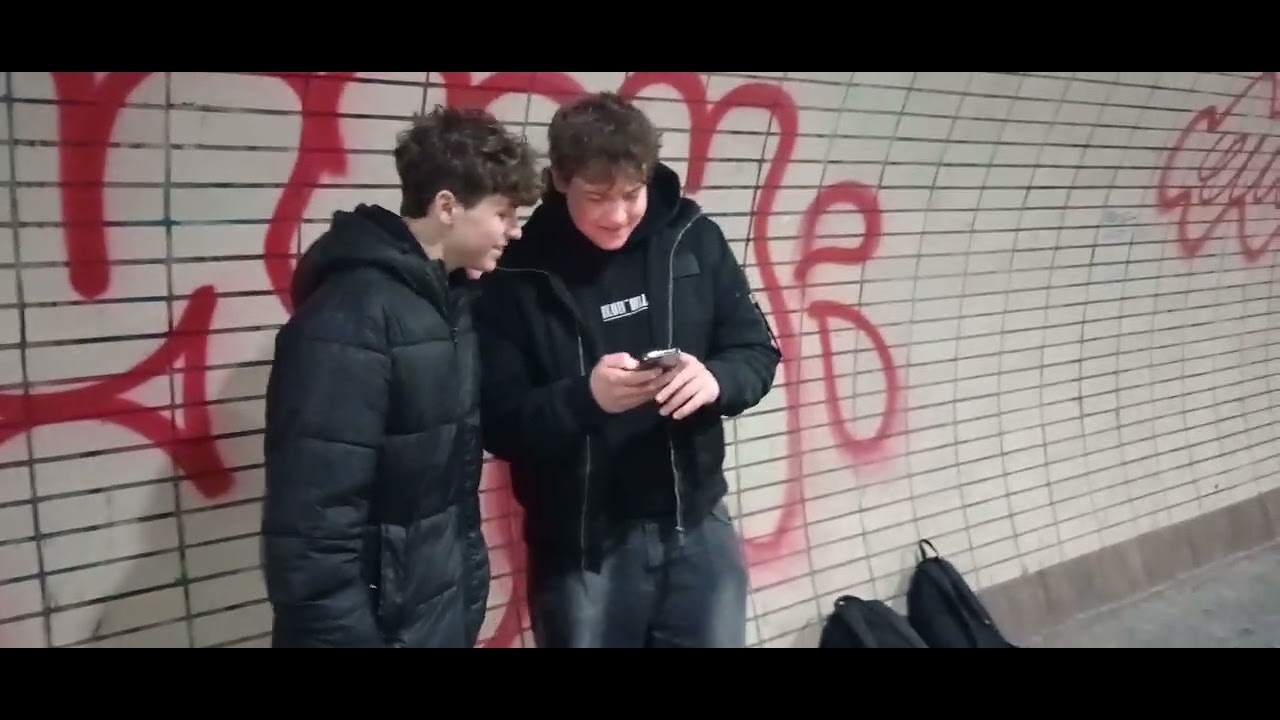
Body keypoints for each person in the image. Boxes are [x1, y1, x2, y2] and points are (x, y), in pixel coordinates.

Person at [474, 92, 781, 648]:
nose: (617, 215)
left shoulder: (692, 239)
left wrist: (715, 380)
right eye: (597, 197)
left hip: (697, 522)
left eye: (632, 194)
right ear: (562, 181)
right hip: (581, 546)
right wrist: (584, 399)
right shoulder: (517, 270)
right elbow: (496, 419)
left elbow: (756, 352)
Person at [260, 105, 542, 648]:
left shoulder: (448, 304)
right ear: (447, 206)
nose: (514, 229)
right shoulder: (349, 319)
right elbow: (312, 529)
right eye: (504, 212)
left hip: (429, 615)